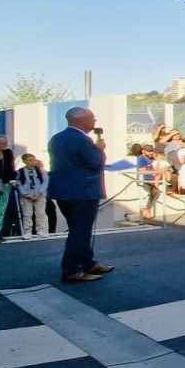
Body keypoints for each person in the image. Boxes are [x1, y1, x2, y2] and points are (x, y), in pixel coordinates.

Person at [48, 107, 111, 283]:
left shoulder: (57, 138)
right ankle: (72, 270)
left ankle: (87, 262)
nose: (94, 122)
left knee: (78, 229)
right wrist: (100, 149)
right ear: (83, 121)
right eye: (92, 119)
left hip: (64, 192)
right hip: (82, 192)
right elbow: (96, 163)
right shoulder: (82, 140)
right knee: (80, 231)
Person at [15, 152, 48, 238]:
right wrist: (24, 193)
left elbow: (45, 181)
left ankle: (42, 230)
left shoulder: (40, 170)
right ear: (24, 161)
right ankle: (27, 231)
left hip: (39, 195)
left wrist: (40, 193)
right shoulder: (20, 172)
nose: (33, 162)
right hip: (27, 195)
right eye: (30, 160)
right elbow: (18, 183)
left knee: (40, 213)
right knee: (27, 214)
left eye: (34, 160)